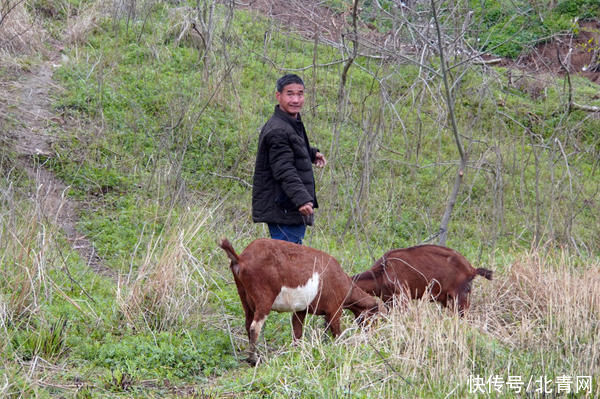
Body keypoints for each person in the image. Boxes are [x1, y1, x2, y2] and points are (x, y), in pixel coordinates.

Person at [252, 74, 327, 244]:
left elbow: (291, 146)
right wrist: (301, 199)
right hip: (284, 208)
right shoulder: (278, 129)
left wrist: (311, 153)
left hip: (288, 206)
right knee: (287, 265)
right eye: (290, 94)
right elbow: (284, 169)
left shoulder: (290, 121)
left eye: (300, 94)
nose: (296, 99)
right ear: (278, 96)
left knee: (288, 262)